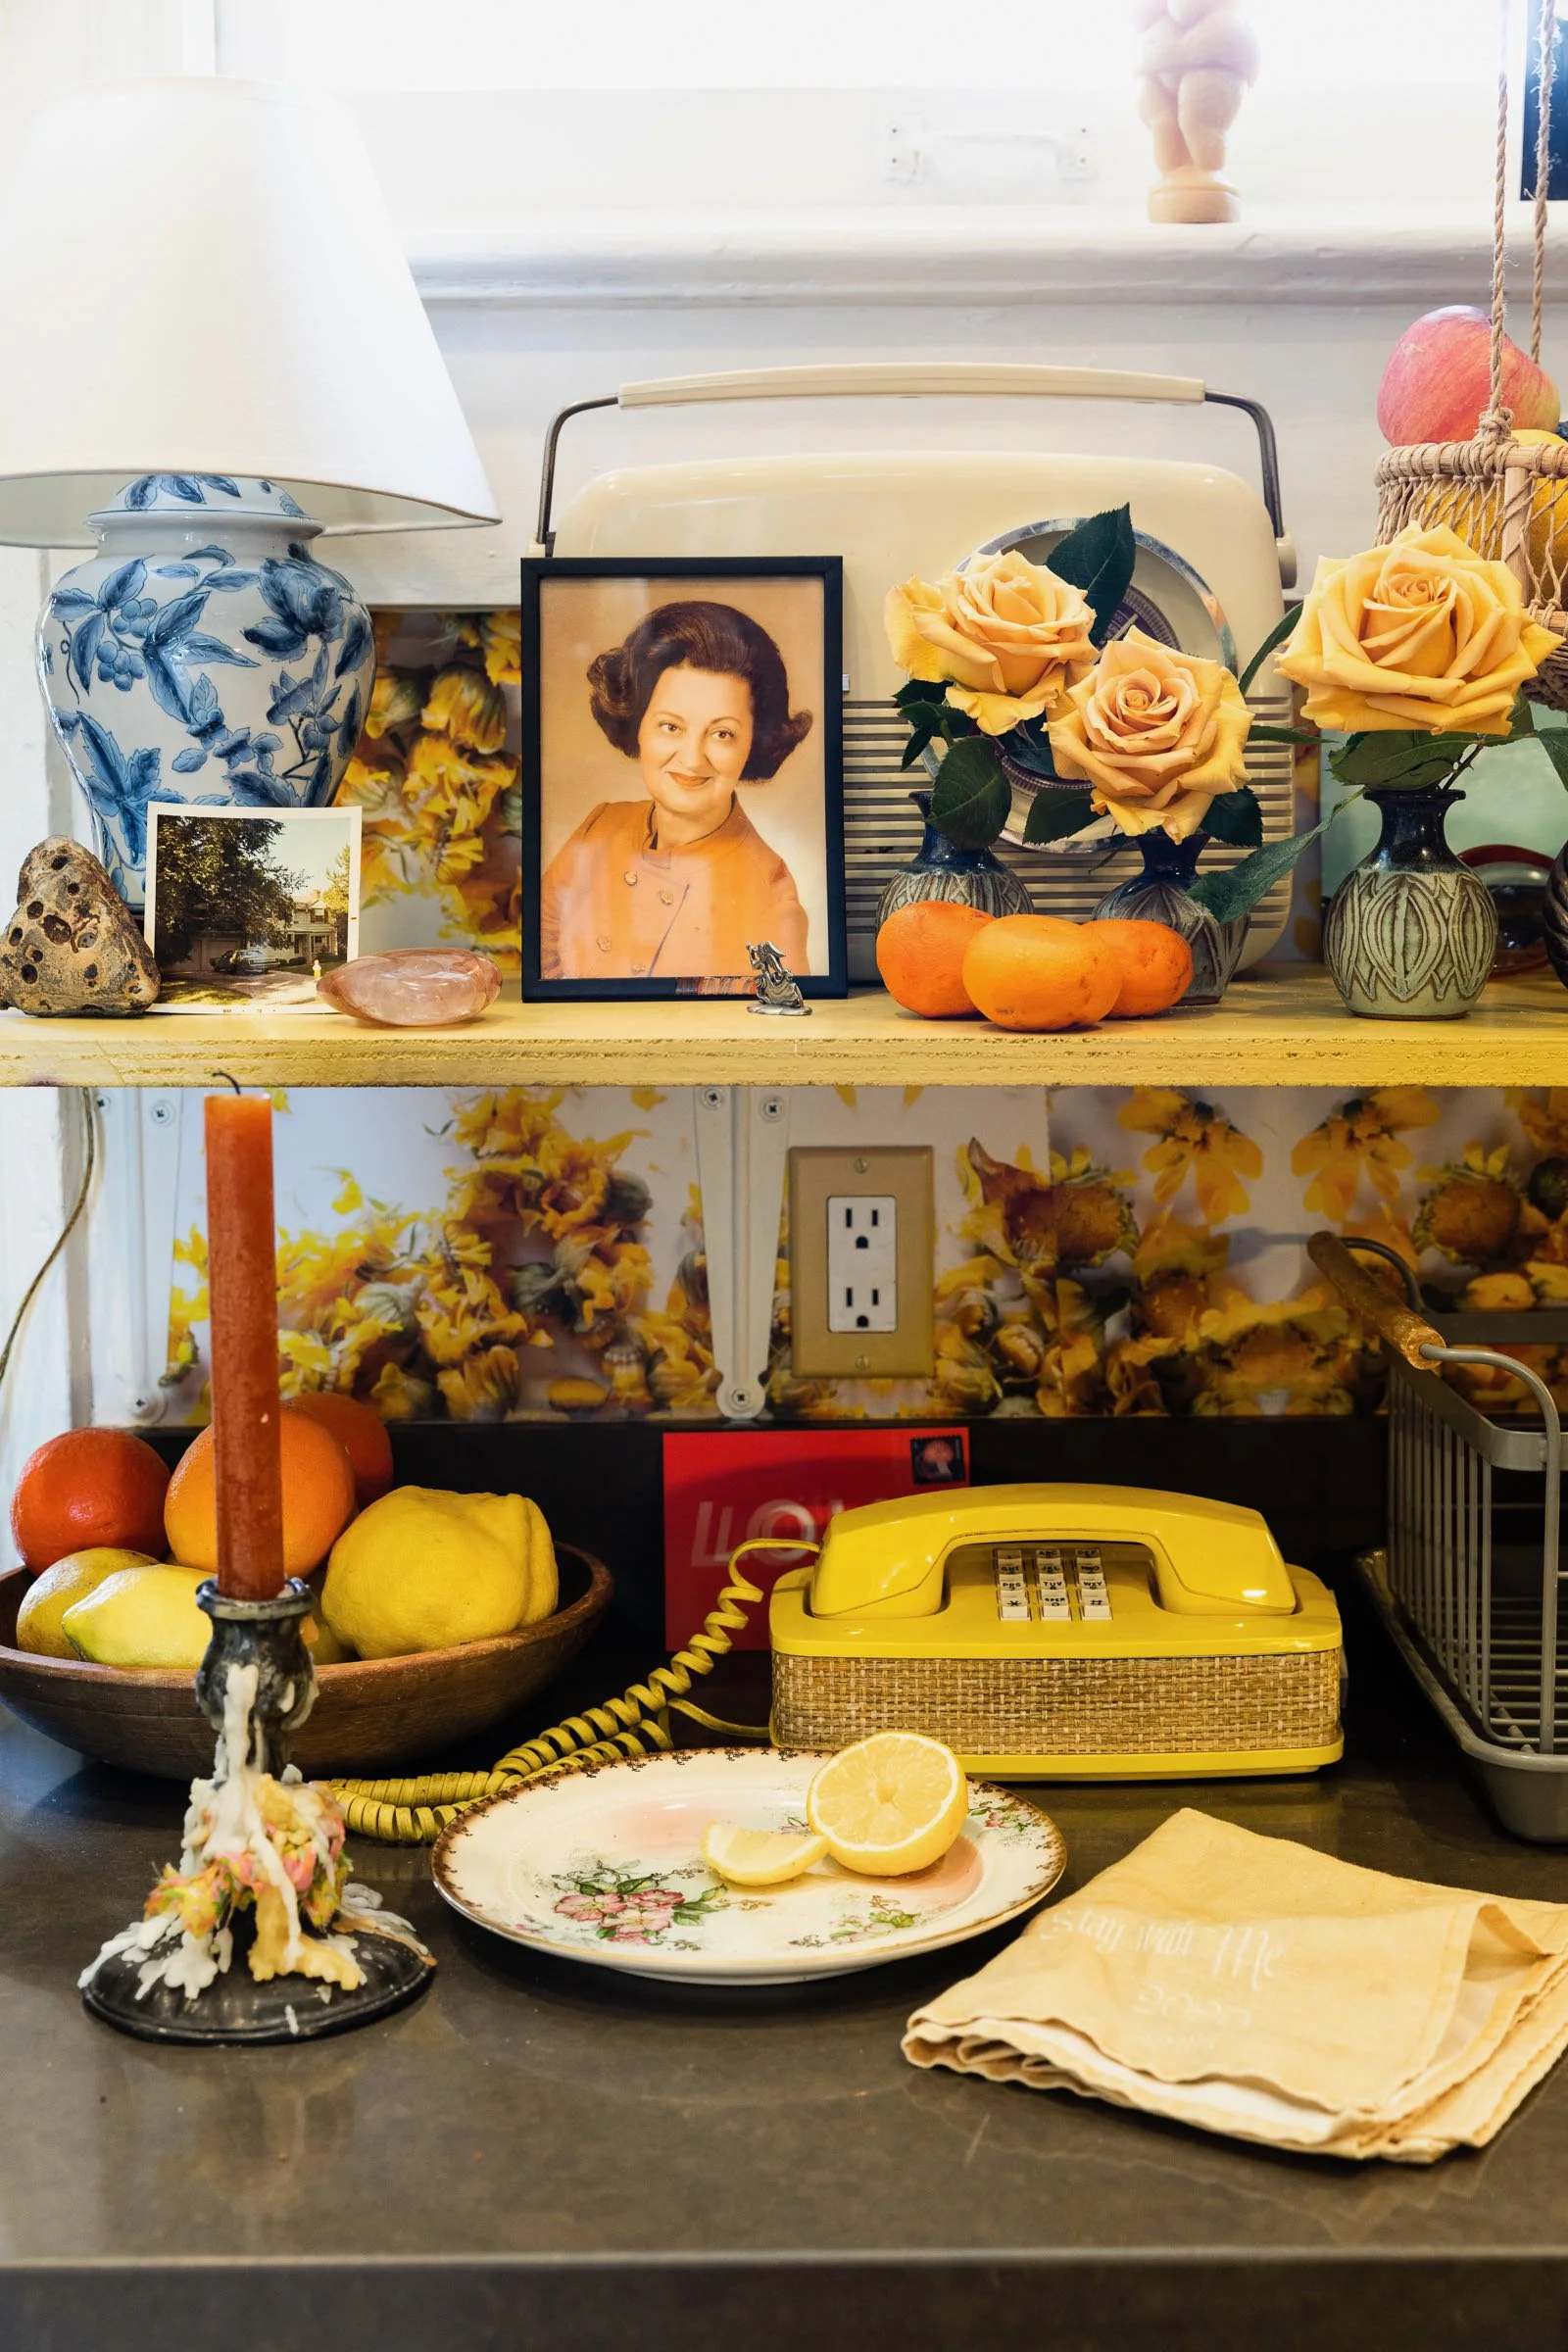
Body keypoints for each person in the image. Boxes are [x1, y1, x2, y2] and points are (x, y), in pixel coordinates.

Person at [538, 600, 812, 986]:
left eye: (722, 734)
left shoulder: (771, 894)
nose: (691, 758)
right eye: (671, 727)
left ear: (754, 742)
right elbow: (541, 972)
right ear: (638, 724)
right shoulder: (598, 827)